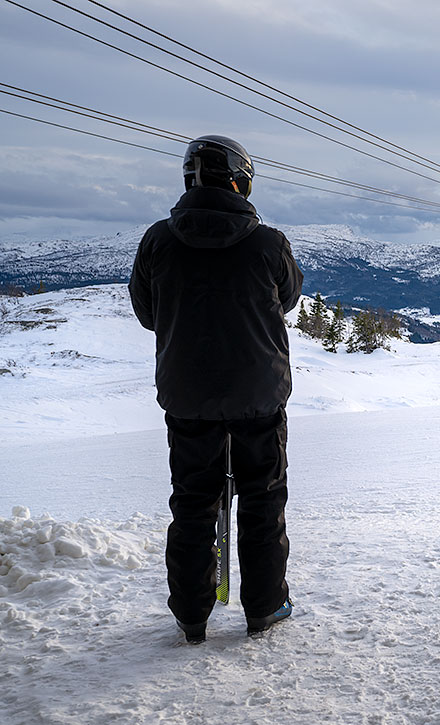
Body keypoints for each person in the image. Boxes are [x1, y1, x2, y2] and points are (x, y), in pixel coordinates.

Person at [129, 135, 303, 643]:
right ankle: (264, 607)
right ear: (241, 182)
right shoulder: (268, 243)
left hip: (188, 397)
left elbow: (147, 313)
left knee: (192, 503)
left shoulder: (158, 241)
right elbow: (289, 297)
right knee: (263, 500)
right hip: (259, 395)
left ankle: (191, 615)